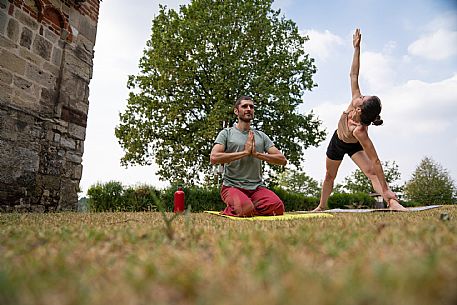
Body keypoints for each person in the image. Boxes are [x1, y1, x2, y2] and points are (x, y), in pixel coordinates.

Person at [312, 29, 408, 212]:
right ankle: (322, 205)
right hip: (337, 141)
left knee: (371, 172)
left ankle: (392, 202)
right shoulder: (355, 98)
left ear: (359, 108)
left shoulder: (360, 132)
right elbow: (354, 75)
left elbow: (376, 161)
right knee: (329, 176)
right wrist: (357, 48)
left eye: (363, 98)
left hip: (353, 145)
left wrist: (386, 189)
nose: (361, 94)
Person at [210, 96, 287, 216]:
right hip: (232, 186)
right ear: (236, 111)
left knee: (277, 207)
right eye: (244, 106)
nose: (249, 109)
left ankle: (246, 207)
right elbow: (214, 157)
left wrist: (257, 154)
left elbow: (282, 160)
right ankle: (242, 207)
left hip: (256, 188)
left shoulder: (261, 136)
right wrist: (244, 153)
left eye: (251, 107)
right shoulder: (226, 133)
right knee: (245, 208)